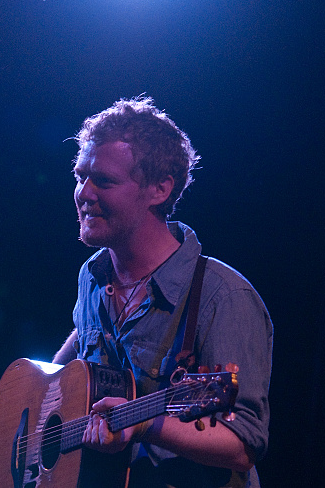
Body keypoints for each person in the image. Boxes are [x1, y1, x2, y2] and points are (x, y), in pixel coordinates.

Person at [52, 96, 272, 488]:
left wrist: (144, 424)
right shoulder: (94, 275)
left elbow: (243, 444)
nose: (84, 193)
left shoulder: (223, 296)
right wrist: (41, 398)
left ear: (159, 189)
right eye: (79, 176)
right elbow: (73, 363)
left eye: (103, 180)